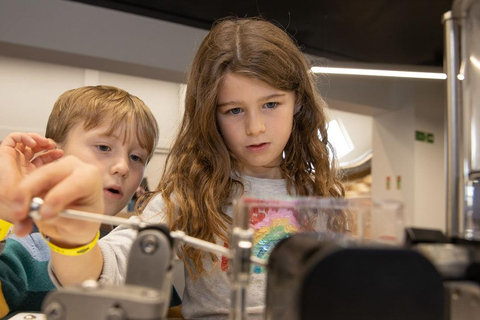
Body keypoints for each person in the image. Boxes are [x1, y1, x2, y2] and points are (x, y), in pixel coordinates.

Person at [2, 17, 347, 319]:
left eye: (271, 104)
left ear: (298, 101)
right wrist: (73, 237)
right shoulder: (191, 195)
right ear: (210, 116)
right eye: (234, 110)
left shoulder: (323, 195)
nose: (255, 127)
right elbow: (107, 270)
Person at [0, 85, 181, 317]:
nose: (123, 167)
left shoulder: (140, 255)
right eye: (104, 147)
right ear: (52, 155)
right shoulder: (23, 251)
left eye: (136, 157)